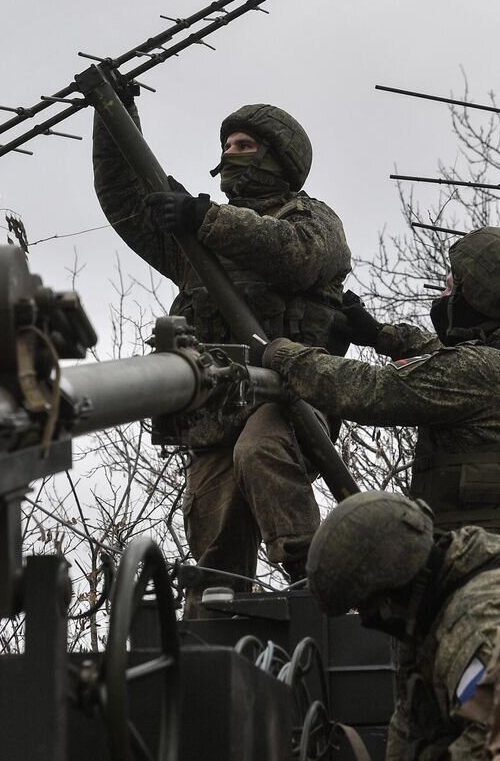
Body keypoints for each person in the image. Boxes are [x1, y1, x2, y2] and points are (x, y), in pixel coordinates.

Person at [93, 97, 351, 616]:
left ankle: (311, 577)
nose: (230, 154)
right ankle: (216, 611)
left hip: (290, 396)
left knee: (261, 450)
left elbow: (297, 256)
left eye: (244, 146)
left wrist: (205, 217)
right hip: (218, 405)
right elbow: (125, 201)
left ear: (277, 158)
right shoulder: (197, 241)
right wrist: (112, 115)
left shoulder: (310, 217)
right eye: (226, 146)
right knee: (214, 515)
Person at [265, 226, 500, 547]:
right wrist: (382, 335)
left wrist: (284, 354)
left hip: (489, 562)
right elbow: (471, 363)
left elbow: (368, 390)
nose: (442, 297)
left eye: (450, 289)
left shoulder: (479, 372)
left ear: (476, 300)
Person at [307, 490, 500, 760]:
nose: (365, 619)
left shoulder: (474, 624)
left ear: (390, 590)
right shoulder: (458, 573)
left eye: (366, 607)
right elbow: (410, 726)